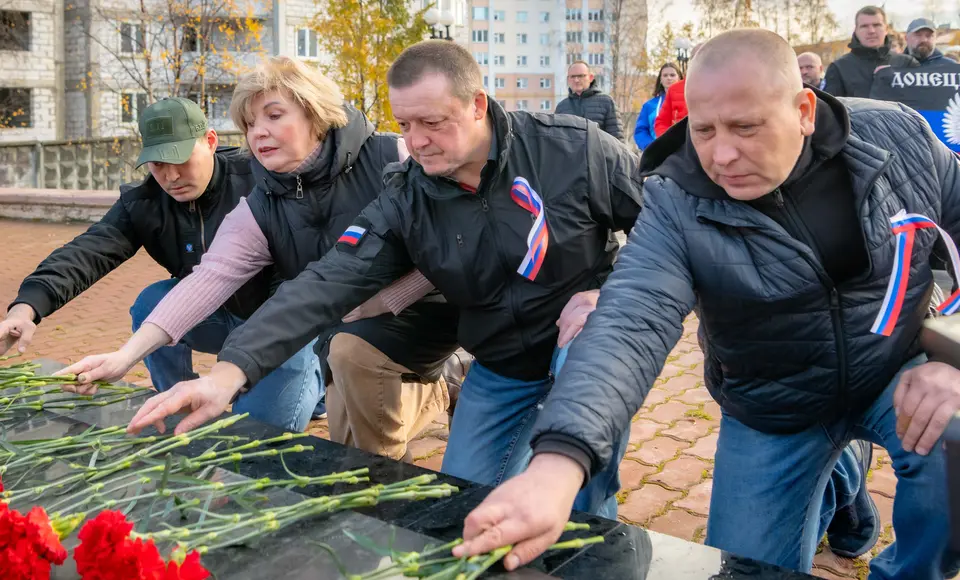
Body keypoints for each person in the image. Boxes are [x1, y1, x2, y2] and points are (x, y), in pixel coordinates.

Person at [453, 29, 960, 580]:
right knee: (745, 570)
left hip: (890, 370)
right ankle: (840, 476)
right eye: (703, 130)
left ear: (805, 111)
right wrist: (556, 466)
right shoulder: (675, 199)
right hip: (773, 404)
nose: (721, 154)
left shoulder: (899, 137)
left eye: (746, 127)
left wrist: (954, 360)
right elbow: (631, 320)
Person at [123, 39, 644, 519]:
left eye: (432, 123)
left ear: (478, 104)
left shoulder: (574, 149)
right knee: (459, 507)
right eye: (405, 124)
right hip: (503, 362)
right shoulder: (407, 193)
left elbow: (663, 225)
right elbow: (326, 280)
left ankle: (597, 536)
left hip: (582, 344)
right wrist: (227, 374)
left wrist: (611, 290)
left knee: (577, 483)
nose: (416, 141)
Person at [61, 57, 462, 460]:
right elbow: (208, 279)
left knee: (369, 451)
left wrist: (384, 300)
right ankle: (418, 401)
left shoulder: (389, 155)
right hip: (339, 328)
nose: (259, 132)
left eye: (274, 115)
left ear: (314, 114)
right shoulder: (263, 200)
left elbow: (455, 241)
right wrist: (125, 356)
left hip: (427, 311)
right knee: (345, 439)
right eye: (251, 123)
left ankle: (429, 399)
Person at [0, 97, 324, 432]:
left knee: (257, 434)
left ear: (210, 142)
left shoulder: (260, 180)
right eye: (157, 164)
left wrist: (235, 370)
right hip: (211, 314)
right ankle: (178, 406)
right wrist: (26, 307)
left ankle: (313, 381)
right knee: (151, 302)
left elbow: (306, 278)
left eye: (181, 159)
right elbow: (88, 251)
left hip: (278, 322)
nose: (170, 176)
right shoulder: (145, 201)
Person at [823, 5, 918, 98]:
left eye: (877, 25)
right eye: (864, 26)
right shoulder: (839, 68)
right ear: (856, 30)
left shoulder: (907, 64)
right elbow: (831, 110)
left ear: (886, 29)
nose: (871, 31)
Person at [555, 60, 624, 140]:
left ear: (591, 78)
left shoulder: (606, 102)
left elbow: (617, 139)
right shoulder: (561, 107)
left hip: (598, 152)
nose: (576, 80)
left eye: (581, 76)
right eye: (572, 76)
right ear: (568, 79)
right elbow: (557, 139)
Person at [654, 45, 702, 137]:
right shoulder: (674, 90)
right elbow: (661, 122)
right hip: (682, 147)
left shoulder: (722, 87)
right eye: (697, 58)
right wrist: (669, 142)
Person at [634, 63, 681, 150]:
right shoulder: (649, 106)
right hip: (658, 155)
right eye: (665, 75)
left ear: (679, 78)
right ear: (660, 79)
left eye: (672, 75)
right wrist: (651, 147)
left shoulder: (690, 103)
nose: (669, 78)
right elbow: (640, 131)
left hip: (684, 155)